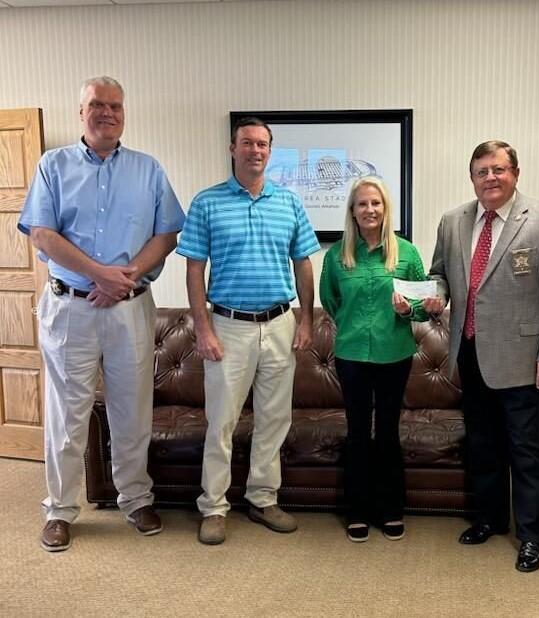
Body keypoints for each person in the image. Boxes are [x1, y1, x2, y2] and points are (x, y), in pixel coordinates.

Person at [18, 76, 185, 552]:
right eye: (97, 105)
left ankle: (134, 500)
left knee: (133, 412)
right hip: (70, 307)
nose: (106, 112)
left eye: (115, 106)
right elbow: (42, 236)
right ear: (81, 112)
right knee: (67, 413)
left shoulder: (148, 170)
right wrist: (99, 273)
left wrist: (124, 276)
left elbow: (167, 234)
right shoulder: (53, 165)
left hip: (129, 308)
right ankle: (59, 510)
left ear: (124, 113)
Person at [424, 140, 539, 572]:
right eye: (481, 172)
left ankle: (532, 536)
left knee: (529, 453)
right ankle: (489, 519)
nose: (490, 178)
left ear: (515, 172)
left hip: (524, 359)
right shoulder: (453, 221)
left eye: (498, 170)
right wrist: (436, 297)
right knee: (483, 446)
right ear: (471, 177)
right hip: (469, 352)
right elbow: (439, 275)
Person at [177, 116, 320, 545]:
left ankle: (262, 499)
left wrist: (307, 318)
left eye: (262, 144)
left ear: (270, 152)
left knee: (274, 419)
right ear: (232, 149)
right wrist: (202, 328)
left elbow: (304, 264)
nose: (255, 150)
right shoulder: (207, 203)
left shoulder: (290, 203)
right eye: (247, 143)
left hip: (279, 323)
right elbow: (194, 269)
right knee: (221, 421)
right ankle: (214, 506)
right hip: (228, 325)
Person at [319, 177, 428, 543]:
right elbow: (332, 302)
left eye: (376, 204)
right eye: (362, 204)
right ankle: (357, 510)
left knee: (387, 433)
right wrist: (354, 326)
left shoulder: (407, 253)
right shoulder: (337, 256)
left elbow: (424, 307)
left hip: (394, 355)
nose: (370, 210)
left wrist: (407, 308)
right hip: (351, 356)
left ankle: (391, 508)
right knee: (357, 434)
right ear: (352, 211)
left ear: (386, 209)